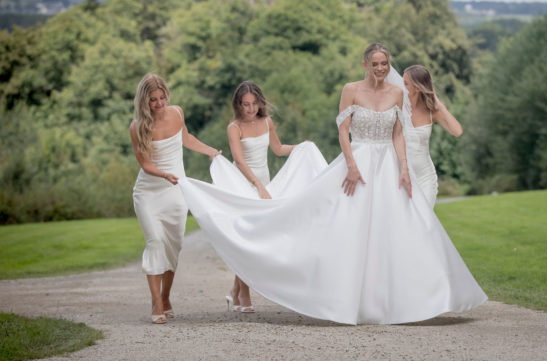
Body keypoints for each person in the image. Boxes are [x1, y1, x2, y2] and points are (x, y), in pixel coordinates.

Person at [179, 43, 487, 325]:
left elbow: (397, 134)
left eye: (384, 64)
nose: (380, 68)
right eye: (375, 64)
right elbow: (343, 131)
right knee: (348, 228)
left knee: (396, 229)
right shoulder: (350, 90)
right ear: (365, 64)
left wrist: (404, 167)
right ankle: (343, 298)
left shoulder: (397, 93)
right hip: (358, 162)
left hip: (389, 166)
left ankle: (400, 300)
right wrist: (351, 165)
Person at [130, 73, 220, 324]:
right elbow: (145, 164)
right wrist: (164, 175)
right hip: (149, 191)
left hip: (176, 191)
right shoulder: (137, 127)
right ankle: (156, 302)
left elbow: (186, 138)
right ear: (144, 102)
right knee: (155, 242)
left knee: (173, 246)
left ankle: (166, 296)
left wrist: (210, 151)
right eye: (153, 100)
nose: (159, 103)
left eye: (162, 97)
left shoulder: (177, 112)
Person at [225, 81, 299, 313]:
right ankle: (244, 292)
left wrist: (300, 147)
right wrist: (257, 185)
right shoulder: (234, 128)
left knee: (257, 237)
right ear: (238, 105)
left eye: (254, 104)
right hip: (243, 185)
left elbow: (278, 149)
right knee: (246, 238)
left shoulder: (267, 122)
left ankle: (236, 290)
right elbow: (239, 160)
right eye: (246, 104)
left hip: (263, 183)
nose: (250, 109)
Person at [387, 64, 463, 206]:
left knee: (425, 218)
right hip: (400, 175)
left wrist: (440, 105)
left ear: (417, 87)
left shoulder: (432, 111)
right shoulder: (396, 108)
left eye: (406, 83)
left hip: (425, 177)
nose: (401, 86)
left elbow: (457, 131)